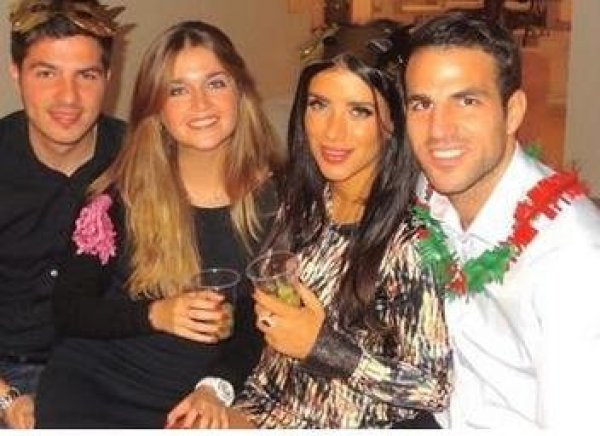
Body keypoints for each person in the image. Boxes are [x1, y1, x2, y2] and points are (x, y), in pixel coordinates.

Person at [167, 20, 452, 429]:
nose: (332, 131)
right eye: (319, 104)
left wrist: (322, 346)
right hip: (265, 410)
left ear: (394, 122)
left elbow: (433, 388)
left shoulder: (412, 240)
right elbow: (265, 337)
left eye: (359, 110)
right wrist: (217, 392)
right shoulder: (301, 206)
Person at [33, 20, 283, 428]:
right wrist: (156, 314)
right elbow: (69, 309)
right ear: (157, 108)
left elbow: (260, 323)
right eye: (177, 90)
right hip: (92, 387)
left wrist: (216, 385)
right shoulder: (116, 197)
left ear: (240, 90)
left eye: (215, 83)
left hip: (192, 397)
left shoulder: (279, 199)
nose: (200, 104)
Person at [404, 11, 600, 428]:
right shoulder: (429, 195)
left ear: (512, 112)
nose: (438, 131)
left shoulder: (574, 258)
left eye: (467, 101)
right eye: (422, 104)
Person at [0, 0, 125, 429]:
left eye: (86, 75)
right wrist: (6, 398)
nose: (67, 97)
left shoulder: (139, 158)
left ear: (108, 78)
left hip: (107, 365)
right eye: (46, 73)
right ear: (16, 73)